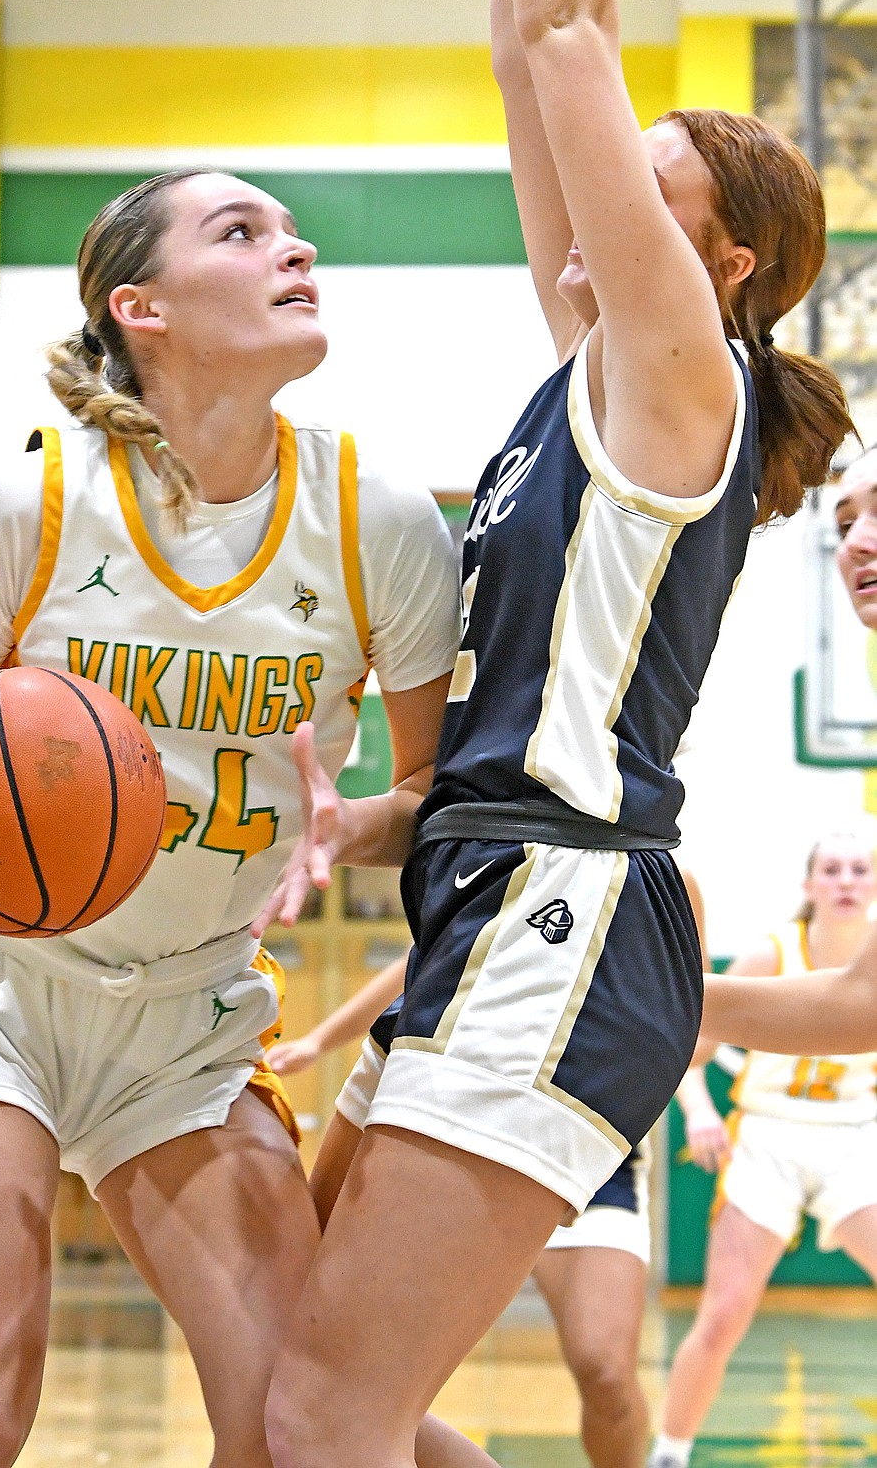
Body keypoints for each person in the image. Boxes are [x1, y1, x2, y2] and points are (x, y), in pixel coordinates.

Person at [260, 0, 855, 1466]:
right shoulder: (591, 366)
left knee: (317, 1410)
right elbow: (533, 66)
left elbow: (568, 32)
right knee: (289, 1377)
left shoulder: (687, 376)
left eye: (646, 179)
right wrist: (384, 811)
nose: (594, 182)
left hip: (570, 905)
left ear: (721, 262)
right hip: (489, 892)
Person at [0, 168, 463, 1468]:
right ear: (142, 306)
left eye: (293, 228)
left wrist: (356, 828)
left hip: (193, 1018)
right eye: (240, 231)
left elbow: (431, 799)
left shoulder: (378, 523)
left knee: (297, 1426)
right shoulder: (37, 503)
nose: (292, 245)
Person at [273, 860, 707, 1468]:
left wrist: (688, 1095)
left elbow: (694, 1013)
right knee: (338, 1368)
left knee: (604, 1368)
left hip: (584, 1140)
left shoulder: (664, 880)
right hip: (459, 1116)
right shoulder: (500, 831)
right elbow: (424, 957)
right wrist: (320, 1040)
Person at [650, 833, 877, 1468]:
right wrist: (698, 1114)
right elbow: (684, 1054)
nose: (846, 881)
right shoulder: (772, 956)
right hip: (768, 1138)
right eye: (831, 870)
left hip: (857, 1140)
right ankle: (669, 1453)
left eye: (859, 870)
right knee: (724, 1315)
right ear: (809, 887)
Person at [701, 446, 877, 1059]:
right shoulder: (775, 953)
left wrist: (640, 990)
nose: (855, 543)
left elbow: (863, 1009)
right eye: (844, 524)